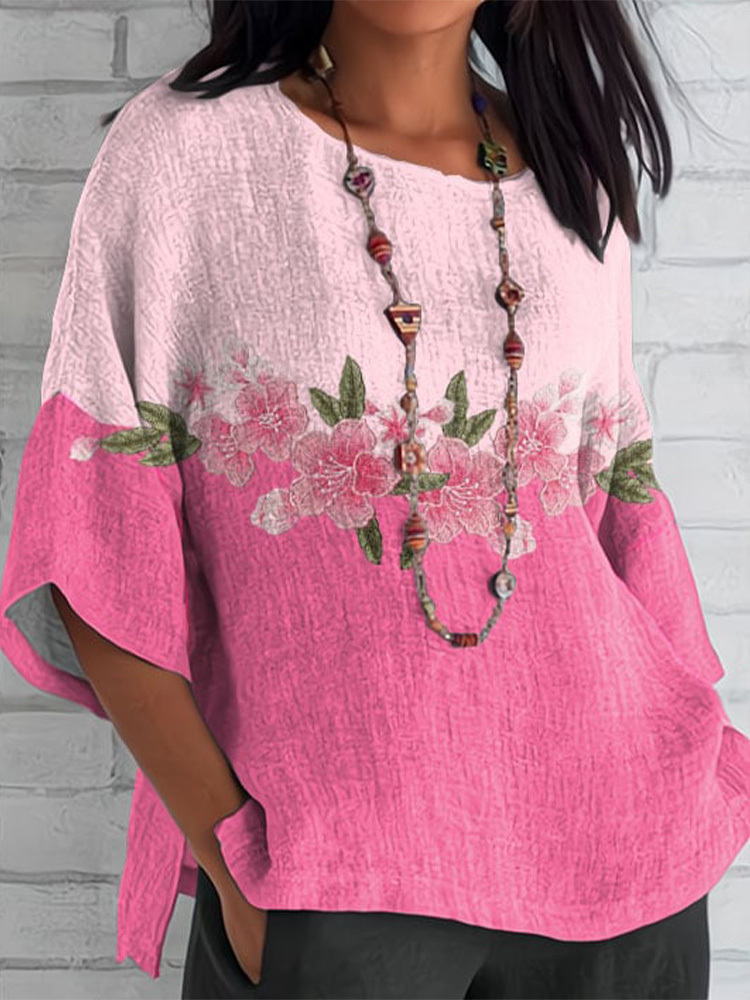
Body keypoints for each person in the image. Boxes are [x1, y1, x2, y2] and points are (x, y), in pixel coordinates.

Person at [0, 1, 748, 998]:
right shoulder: (186, 155)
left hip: (627, 869)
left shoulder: (575, 174)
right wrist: (234, 863)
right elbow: (91, 542)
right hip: (342, 888)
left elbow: (614, 516)